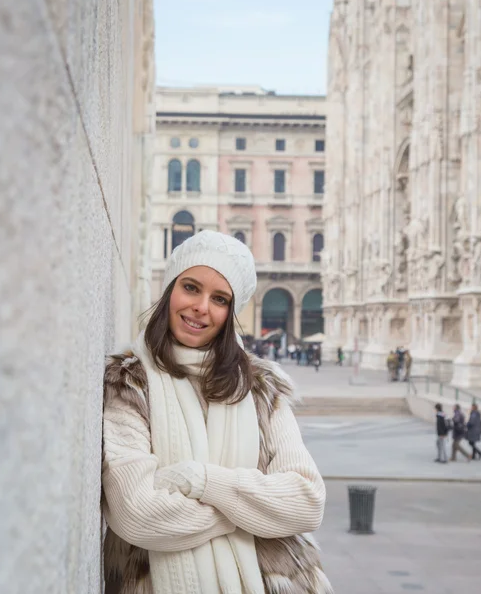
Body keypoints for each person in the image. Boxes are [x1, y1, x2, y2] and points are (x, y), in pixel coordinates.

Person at [102, 231, 331, 594]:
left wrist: (200, 480)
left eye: (219, 299)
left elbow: (306, 503)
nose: (201, 307)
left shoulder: (260, 387)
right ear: (169, 291)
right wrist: (252, 513)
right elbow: (136, 513)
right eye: (191, 287)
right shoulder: (129, 382)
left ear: (230, 312)